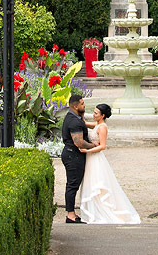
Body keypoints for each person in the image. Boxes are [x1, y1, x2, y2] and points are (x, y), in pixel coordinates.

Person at [77, 103, 141, 224]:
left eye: (96, 113)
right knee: (90, 183)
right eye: (94, 112)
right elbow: (84, 124)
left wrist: (88, 150)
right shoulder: (97, 125)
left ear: (103, 115)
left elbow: (103, 146)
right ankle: (93, 210)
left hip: (96, 158)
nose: (94, 114)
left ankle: (101, 211)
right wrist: (81, 112)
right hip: (91, 158)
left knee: (97, 184)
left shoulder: (103, 127)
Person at [61, 92, 94, 223]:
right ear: (75, 106)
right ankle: (70, 215)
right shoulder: (74, 122)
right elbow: (79, 142)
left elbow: (84, 124)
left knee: (73, 184)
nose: (84, 105)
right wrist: (93, 145)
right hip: (73, 155)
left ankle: (72, 213)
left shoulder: (73, 116)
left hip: (71, 154)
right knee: (72, 185)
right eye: (82, 104)